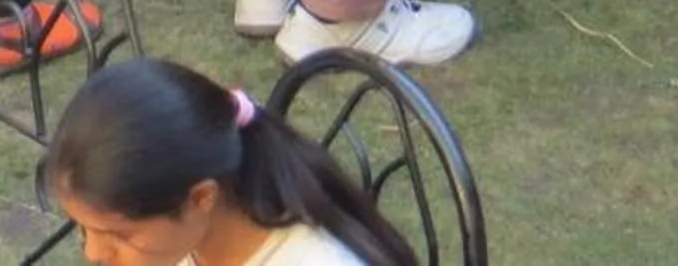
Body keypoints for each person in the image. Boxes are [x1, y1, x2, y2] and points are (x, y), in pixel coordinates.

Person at [42, 56, 415, 266]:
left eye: (119, 234)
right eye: (84, 228)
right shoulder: (186, 241)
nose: (93, 254)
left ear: (200, 198)